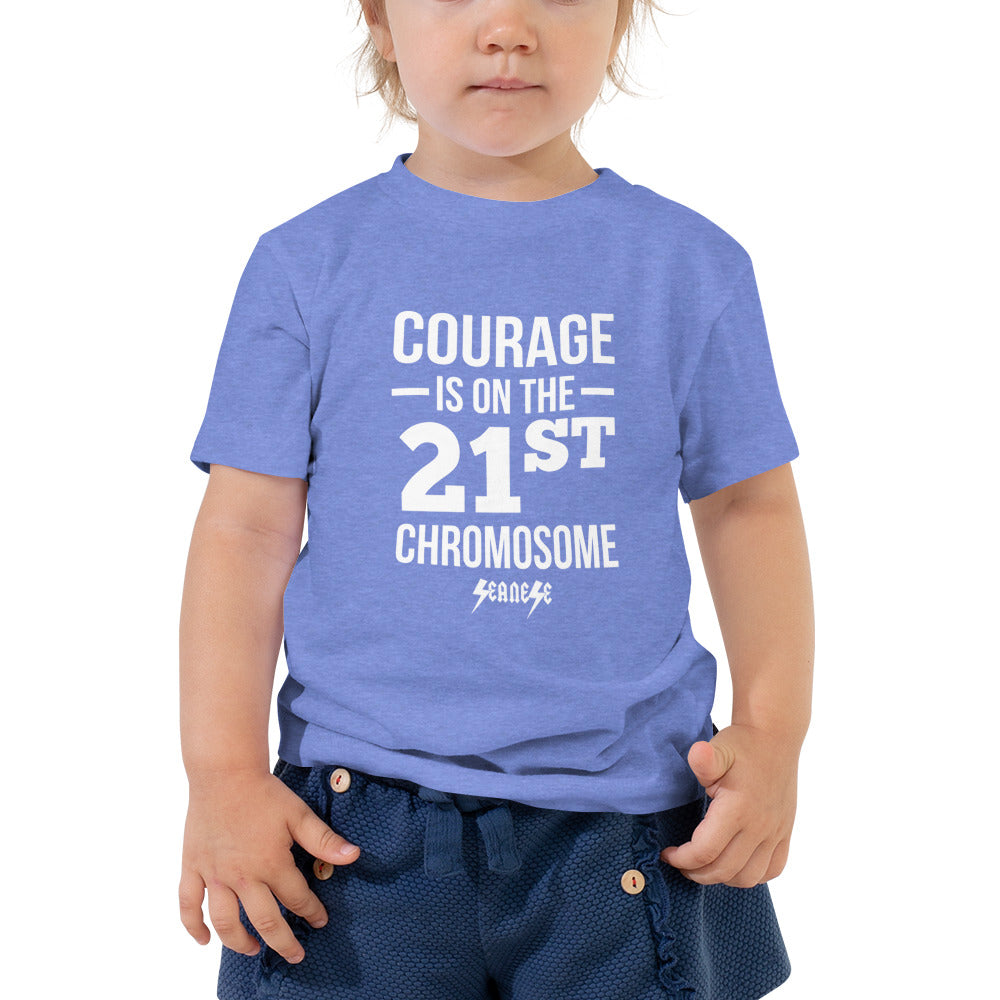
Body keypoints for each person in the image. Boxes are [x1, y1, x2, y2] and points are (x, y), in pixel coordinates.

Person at [178, 0, 814, 998]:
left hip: (628, 826)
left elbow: (749, 509)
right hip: (351, 836)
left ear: (621, 15)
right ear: (379, 17)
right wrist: (221, 776)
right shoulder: (307, 265)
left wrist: (773, 736)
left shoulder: (690, 268)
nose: (508, 28)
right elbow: (246, 529)